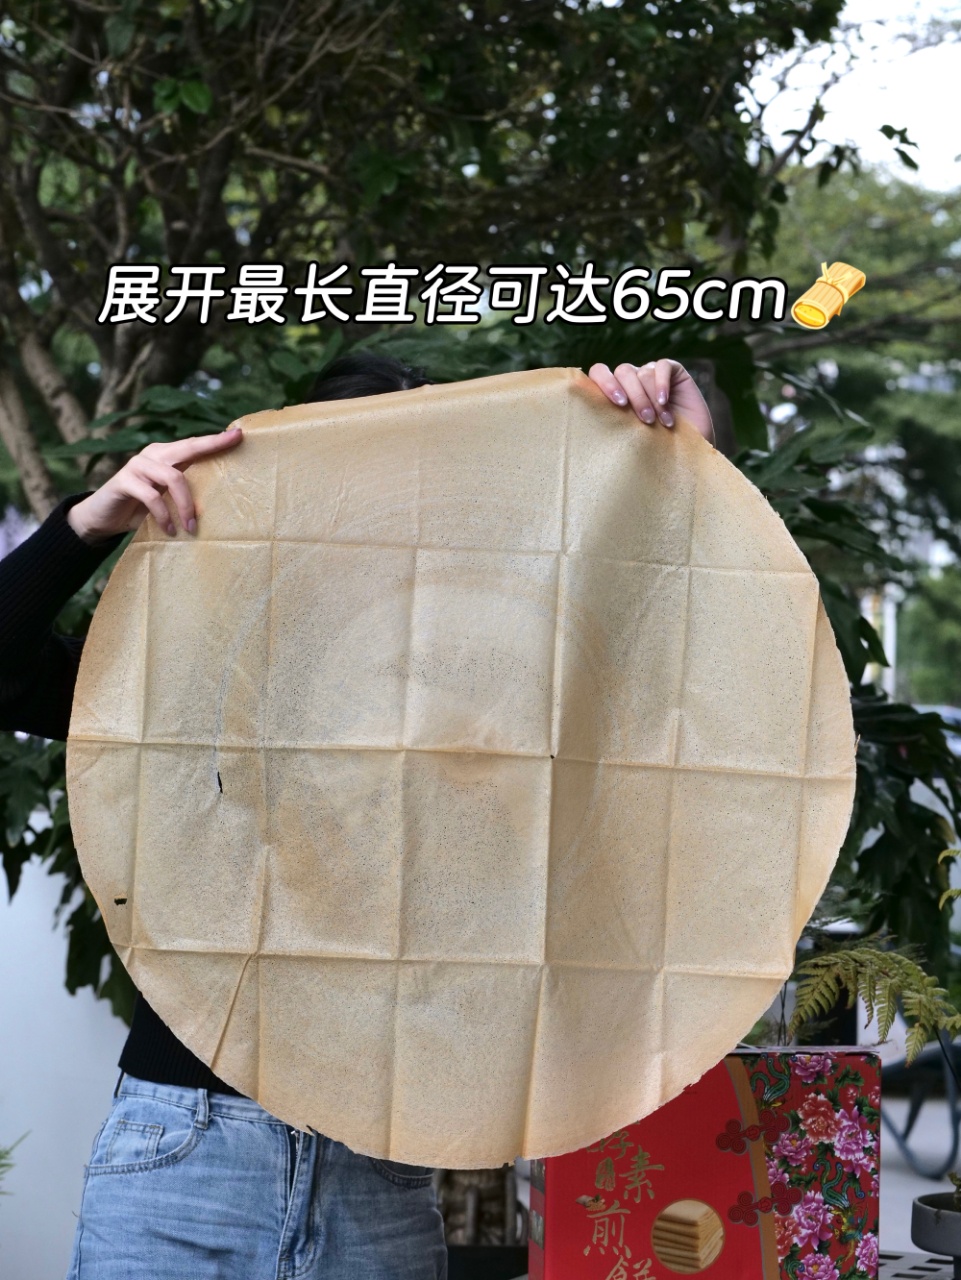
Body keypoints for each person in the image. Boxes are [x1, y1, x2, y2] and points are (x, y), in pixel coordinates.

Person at [0, 352, 714, 1280]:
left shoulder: (502, 704)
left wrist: (678, 471)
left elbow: (682, 722)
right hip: (185, 1160)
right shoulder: (204, 677)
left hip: (378, 1186)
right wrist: (88, 523)